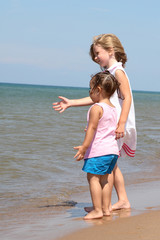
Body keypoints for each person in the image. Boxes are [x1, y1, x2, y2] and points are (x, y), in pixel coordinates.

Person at [53, 33, 137, 211]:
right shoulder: (110, 73)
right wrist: (72, 103)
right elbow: (98, 98)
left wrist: (121, 124)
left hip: (118, 124)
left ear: (111, 51)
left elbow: (128, 98)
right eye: (94, 55)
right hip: (112, 124)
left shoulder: (118, 72)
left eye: (98, 53)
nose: (96, 57)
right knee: (112, 164)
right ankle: (118, 201)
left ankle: (106, 205)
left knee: (110, 165)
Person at [74, 71, 120, 220]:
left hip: (98, 150)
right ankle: (106, 208)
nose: (89, 93)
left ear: (98, 90)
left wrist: (84, 147)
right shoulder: (113, 108)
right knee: (106, 178)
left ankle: (97, 210)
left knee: (93, 178)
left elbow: (93, 129)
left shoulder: (96, 108)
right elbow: (105, 127)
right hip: (112, 151)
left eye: (90, 89)